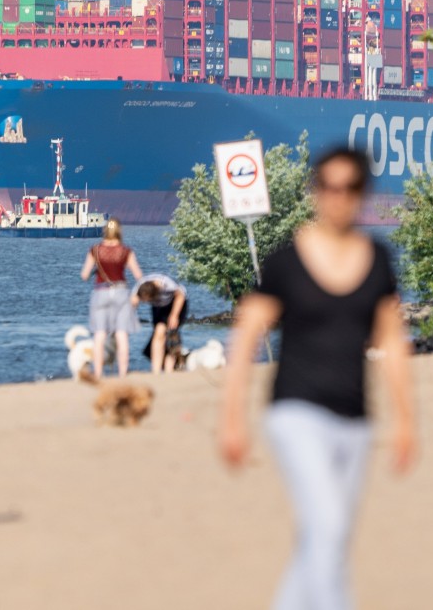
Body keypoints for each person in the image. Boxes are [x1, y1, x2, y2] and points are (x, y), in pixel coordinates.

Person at [219, 147, 417, 609]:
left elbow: (392, 347)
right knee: (328, 526)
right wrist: (231, 418)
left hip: (356, 421)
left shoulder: (379, 260)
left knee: (325, 537)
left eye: (349, 188)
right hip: (294, 412)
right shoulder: (286, 261)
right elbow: (246, 337)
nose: (338, 198)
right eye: (328, 187)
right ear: (315, 192)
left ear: (362, 194)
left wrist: (406, 421)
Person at [80, 218, 142, 378]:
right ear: (119, 231)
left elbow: (84, 275)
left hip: (100, 292)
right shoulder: (126, 251)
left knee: (99, 335)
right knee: (122, 335)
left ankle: (98, 373)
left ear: (104, 232)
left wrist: (96, 271)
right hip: (121, 292)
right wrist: (136, 295)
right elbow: (138, 276)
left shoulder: (95, 250)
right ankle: (122, 373)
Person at [132, 274, 187, 373]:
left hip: (177, 303)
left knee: (169, 333)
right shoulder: (139, 287)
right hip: (159, 307)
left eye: (147, 300)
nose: (144, 303)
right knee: (159, 334)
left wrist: (174, 315)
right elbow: (133, 302)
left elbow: (180, 295)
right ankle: (156, 370)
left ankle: (169, 369)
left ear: (154, 295)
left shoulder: (167, 285)